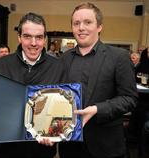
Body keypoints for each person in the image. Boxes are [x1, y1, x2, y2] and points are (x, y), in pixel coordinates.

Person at [0, 12, 64, 158]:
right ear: (19, 37)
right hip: (7, 149)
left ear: (45, 39)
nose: (33, 43)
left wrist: (55, 134)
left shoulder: (58, 67)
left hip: (42, 150)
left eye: (39, 37)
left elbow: (63, 108)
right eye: (27, 36)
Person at [57, 2, 138, 158]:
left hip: (105, 146)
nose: (81, 27)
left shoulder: (119, 57)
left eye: (88, 22)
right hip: (70, 146)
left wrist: (97, 109)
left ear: (99, 26)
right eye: (76, 23)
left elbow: (130, 99)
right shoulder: (64, 59)